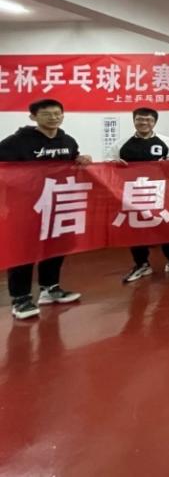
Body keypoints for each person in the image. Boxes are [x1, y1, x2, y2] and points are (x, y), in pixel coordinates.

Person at [2, 99, 88, 320]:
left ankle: (50, 289)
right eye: (47, 114)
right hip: (25, 207)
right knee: (23, 251)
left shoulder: (68, 141)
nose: (53, 117)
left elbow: (73, 163)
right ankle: (20, 298)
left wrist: (81, 159)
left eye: (57, 113)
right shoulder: (16, 142)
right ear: (33, 117)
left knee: (56, 246)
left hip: (58, 203)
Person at [107, 107, 169, 283]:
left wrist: (167, 165)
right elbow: (107, 165)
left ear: (154, 122)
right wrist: (115, 164)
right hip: (132, 194)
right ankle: (142, 264)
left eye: (148, 120)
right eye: (140, 119)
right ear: (134, 121)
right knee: (135, 229)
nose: (144, 123)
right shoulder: (122, 143)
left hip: (159, 193)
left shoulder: (166, 141)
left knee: (166, 227)